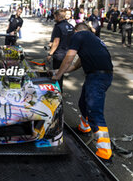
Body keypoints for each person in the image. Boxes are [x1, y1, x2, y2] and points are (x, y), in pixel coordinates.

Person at [52, 23, 113, 163]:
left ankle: (105, 153)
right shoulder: (93, 39)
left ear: (76, 31)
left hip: (98, 77)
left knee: (94, 111)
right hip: (100, 75)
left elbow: (69, 57)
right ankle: (84, 128)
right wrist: (59, 72)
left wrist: (58, 75)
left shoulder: (79, 35)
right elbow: (78, 63)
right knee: (83, 103)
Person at [47, 9, 74, 91]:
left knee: (57, 74)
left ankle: (57, 92)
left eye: (55, 16)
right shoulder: (70, 26)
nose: (54, 18)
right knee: (61, 74)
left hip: (59, 54)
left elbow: (56, 41)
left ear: (58, 16)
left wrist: (50, 54)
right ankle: (60, 90)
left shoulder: (58, 27)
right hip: (68, 54)